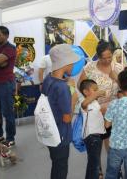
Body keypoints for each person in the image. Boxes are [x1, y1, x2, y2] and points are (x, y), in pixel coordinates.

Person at [78, 39, 121, 177]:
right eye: (104, 58)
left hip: (113, 110)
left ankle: (115, 170)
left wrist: (117, 78)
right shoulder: (90, 67)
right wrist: (93, 100)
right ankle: (99, 172)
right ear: (98, 56)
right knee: (96, 144)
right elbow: (81, 86)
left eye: (110, 57)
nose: (108, 60)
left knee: (112, 143)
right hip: (95, 112)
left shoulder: (118, 67)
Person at [42, 44, 79, 179]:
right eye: (72, 63)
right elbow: (67, 118)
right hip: (60, 134)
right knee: (61, 168)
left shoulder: (48, 79)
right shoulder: (63, 88)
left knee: (56, 164)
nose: (74, 65)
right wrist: (73, 97)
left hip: (50, 132)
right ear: (66, 63)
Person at [79, 79, 106, 179]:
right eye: (94, 89)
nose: (97, 91)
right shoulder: (84, 102)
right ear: (86, 92)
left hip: (96, 136)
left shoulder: (95, 102)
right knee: (95, 166)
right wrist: (96, 94)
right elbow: (84, 104)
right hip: (92, 137)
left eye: (97, 89)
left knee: (92, 163)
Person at [0, 26, 17, 147]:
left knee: (8, 112)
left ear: (6, 35)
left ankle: (10, 137)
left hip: (5, 84)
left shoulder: (10, 48)